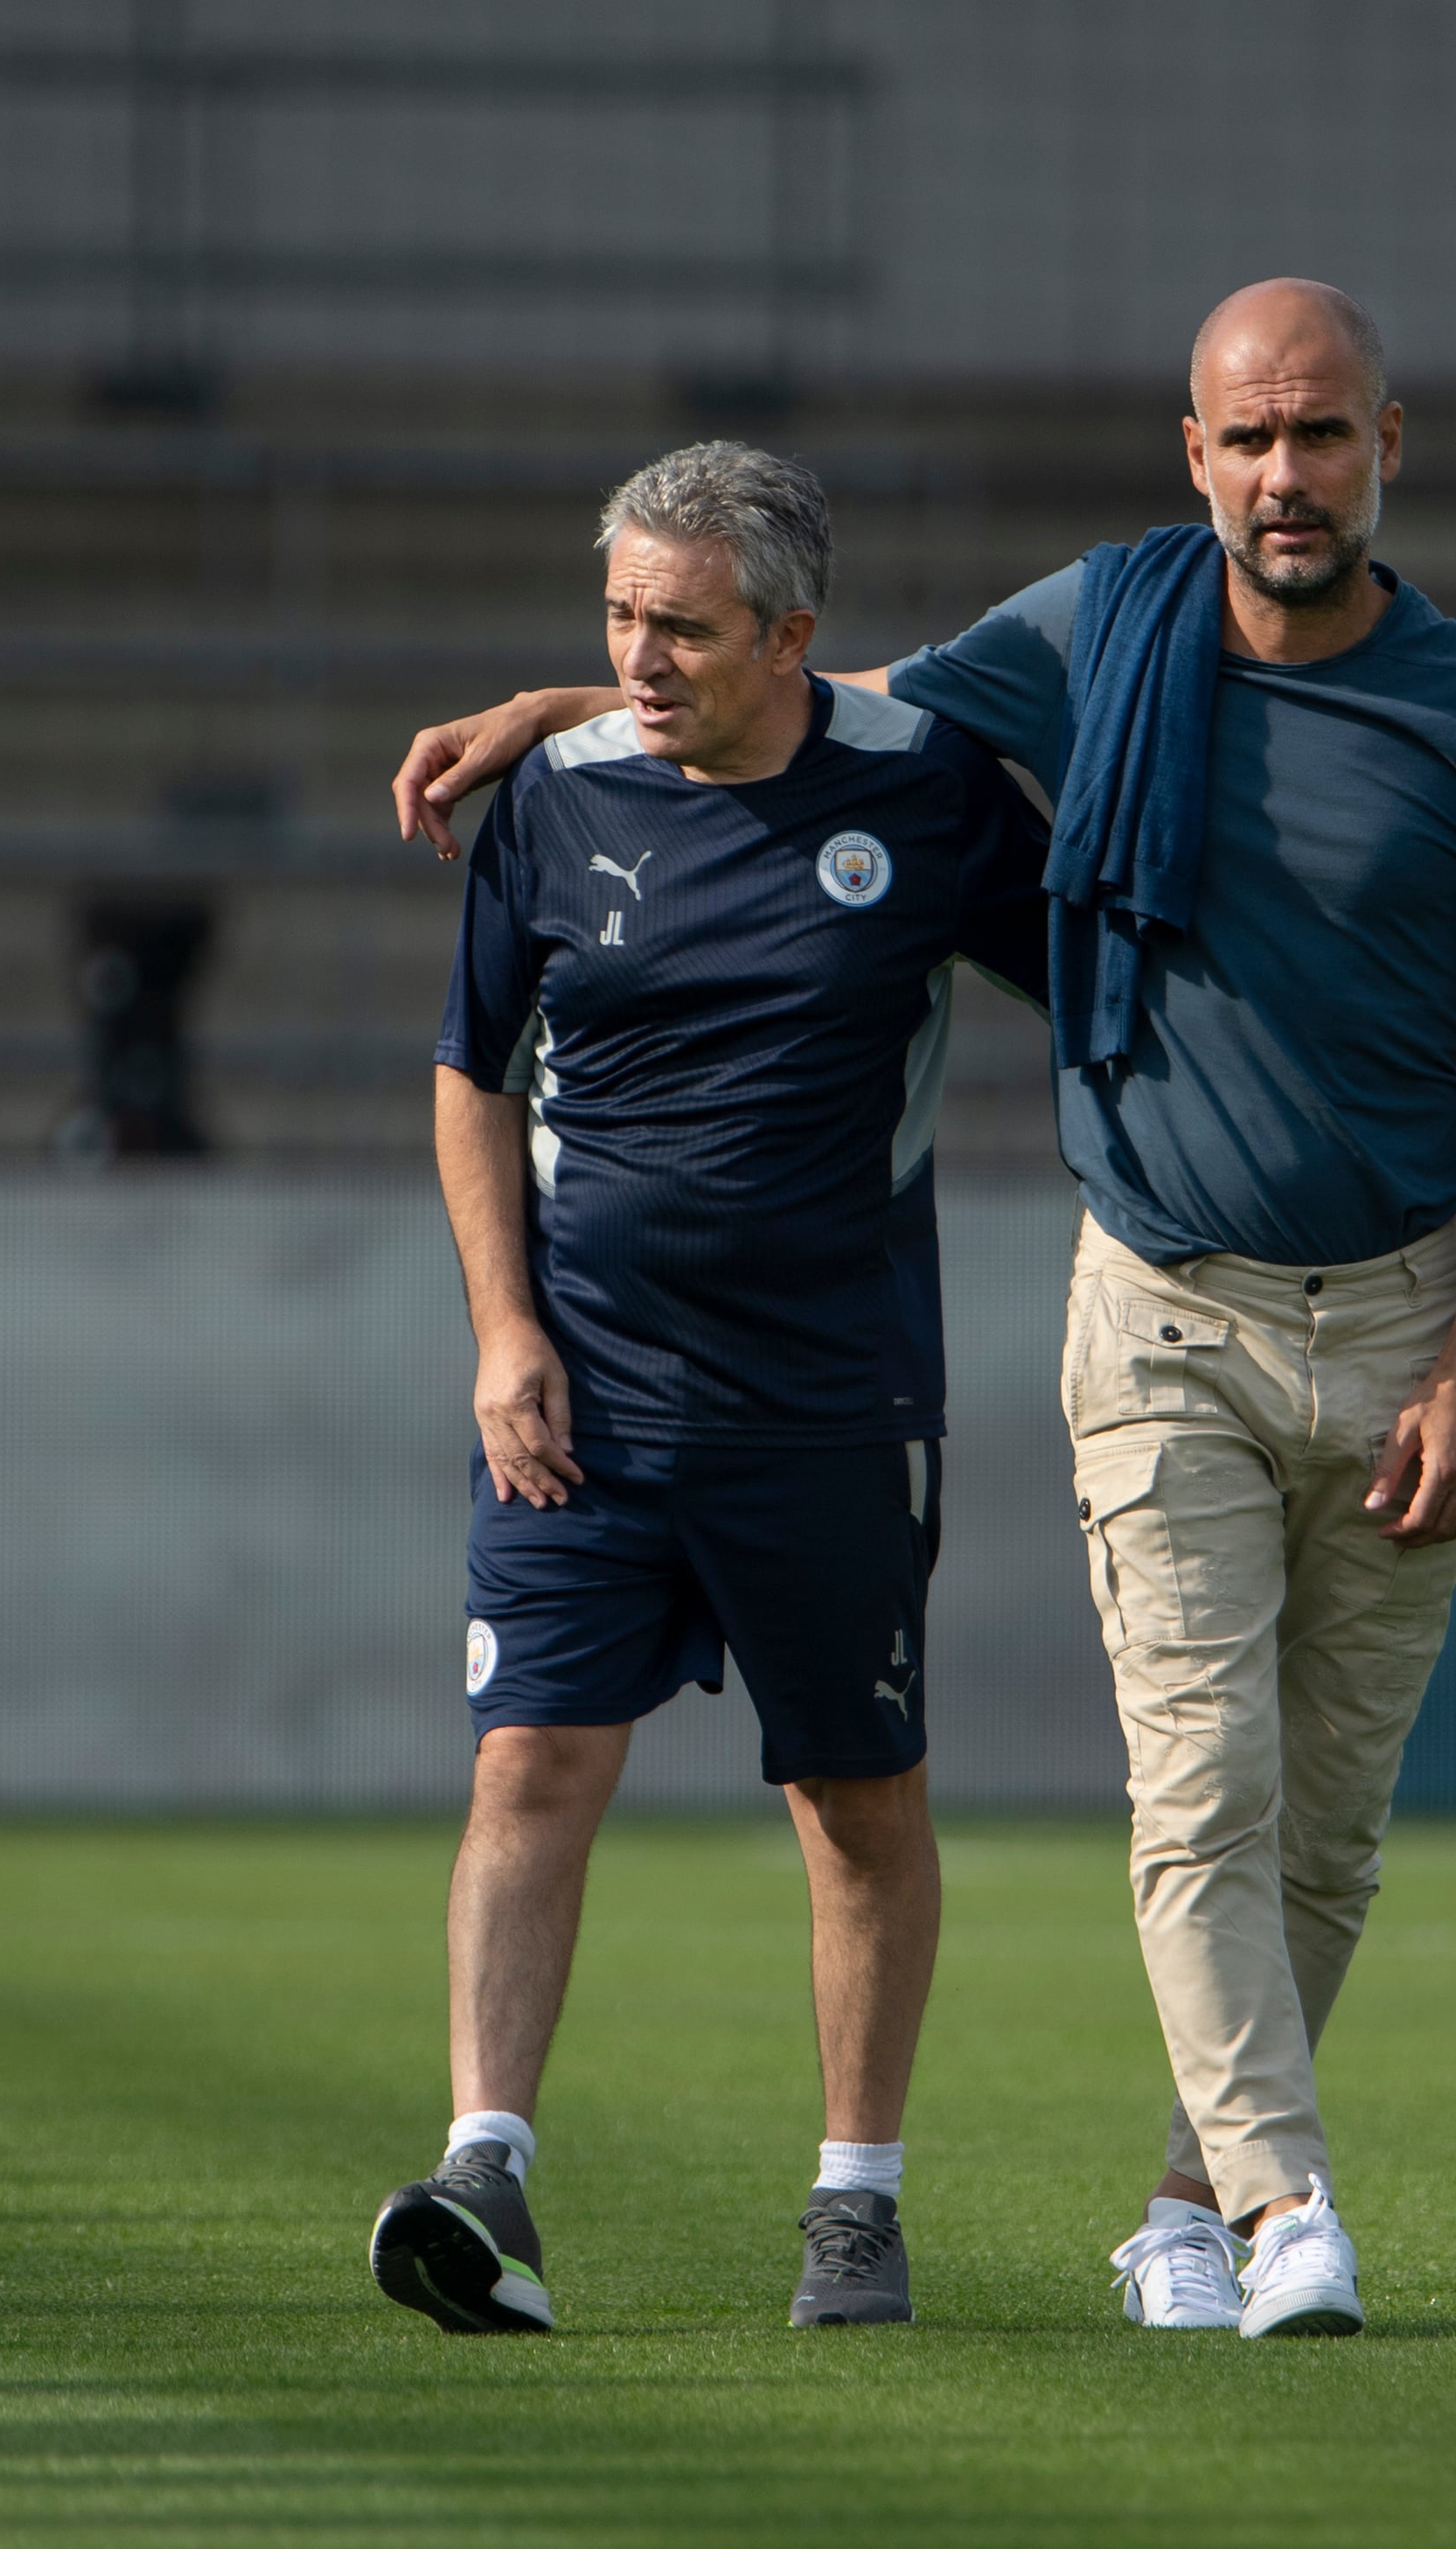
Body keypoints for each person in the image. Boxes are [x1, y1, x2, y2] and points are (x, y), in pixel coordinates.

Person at [393, 282, 1456, 2339]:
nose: (1284, 474)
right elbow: (799, 694)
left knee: (1293, 1829)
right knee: (1187, 1786)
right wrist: (560, 713)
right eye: (1249, 438)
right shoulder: (1091, 630)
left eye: (1321, 435)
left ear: (1390, 443)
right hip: (1116, 1312)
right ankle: (1282, 2203)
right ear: (1193, 452)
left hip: (1325, 1320)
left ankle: (1130, 2205)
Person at [372, 440, 1047, 2337]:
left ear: (794, 636)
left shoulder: (925, 801)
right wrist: (505, 1331)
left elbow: (1110, 969)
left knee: (857, 1803)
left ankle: (855, 2203)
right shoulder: (550, 800)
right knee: (531, 1767)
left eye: (683, 628)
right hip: (579, 1400)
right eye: (618, 623)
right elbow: (472, 1072)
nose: (639, 661)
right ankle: (486, 2168)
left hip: (832, 1406)